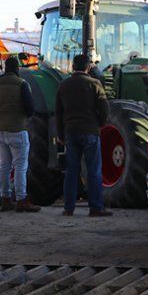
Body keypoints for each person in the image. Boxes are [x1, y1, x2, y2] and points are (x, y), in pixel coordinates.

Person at [55, 54, 113, 217]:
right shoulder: (94, 84)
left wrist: (61, 134)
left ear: (73, 67)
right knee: (94, 170)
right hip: (90, 132)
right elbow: (104, 109)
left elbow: (58, 114)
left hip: (70, 133)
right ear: (88, 68)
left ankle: (68, 208)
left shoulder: (63, 85)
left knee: (71, 170)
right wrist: (100, 125)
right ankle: (96, 207)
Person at [0, 57, 40, 212]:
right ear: (17, 69)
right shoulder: (22, 84)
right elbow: (30, 109)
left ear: (5, 68)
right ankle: (22, 200)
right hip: (17, 130)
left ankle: (6, 199)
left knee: (4, 165)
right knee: (20, 166)